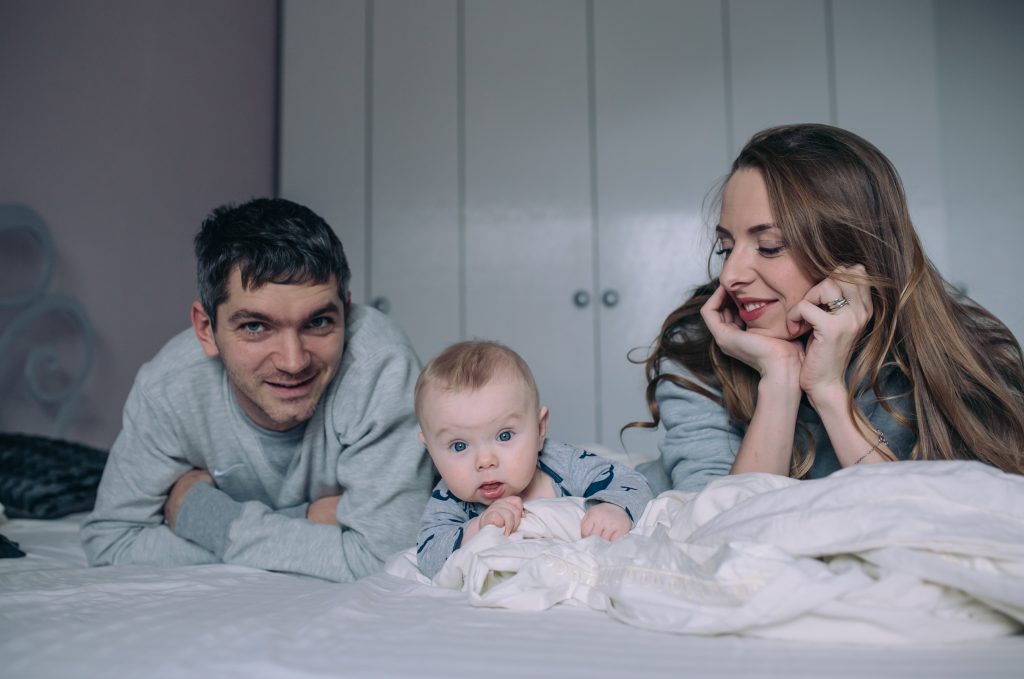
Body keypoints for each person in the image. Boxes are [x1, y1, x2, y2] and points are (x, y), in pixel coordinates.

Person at [634, 123, 1024, 493]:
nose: (731, 274)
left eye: (769, 246)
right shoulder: (699, 345)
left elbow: (922, 520)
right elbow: (719, 529)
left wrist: (827, 391)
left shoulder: (952, 354)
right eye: (726, 247)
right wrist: (780, 377)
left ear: (850, 252)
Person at [81, 198, 434, 581]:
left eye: (318, 322)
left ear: (346, 314)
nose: (293, 361)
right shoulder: (170, 388)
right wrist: (310, 518)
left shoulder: (378, 365)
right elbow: (111, 542)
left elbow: (389, 559)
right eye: (254, 326)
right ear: (206, 330)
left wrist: (201, 513)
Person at [415, 341, 652, 579]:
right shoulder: (449, 500)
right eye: (459, 446)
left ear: (540, 429)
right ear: (431, 451)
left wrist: (614, 507)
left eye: (504, 435)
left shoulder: (564, 463)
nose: (485, 461)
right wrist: (478, 528)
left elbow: (632, 482)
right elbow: (429, 557)